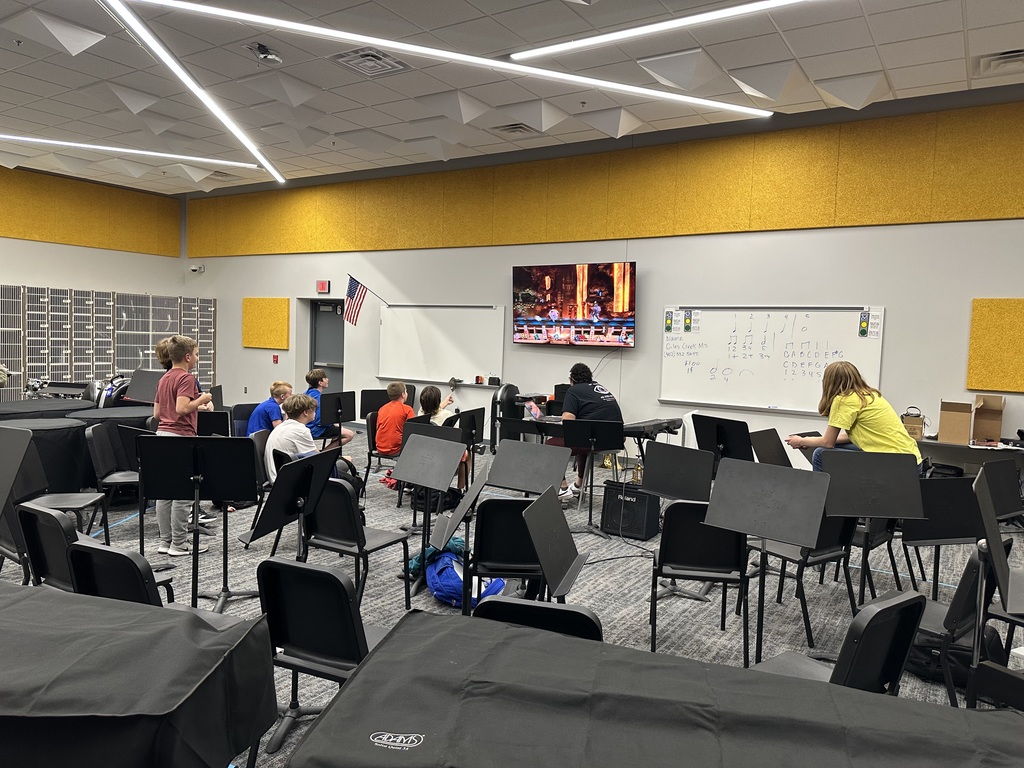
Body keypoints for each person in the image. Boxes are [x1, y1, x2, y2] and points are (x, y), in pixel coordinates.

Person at [785, 360, 922, 472]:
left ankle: (822, 497)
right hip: (911, 461)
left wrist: (801, 441)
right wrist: (812, 440)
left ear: (828, 382)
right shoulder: (870, 395)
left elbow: (828, 442)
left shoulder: (844, 400)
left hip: (893, 463)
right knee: (842, 446)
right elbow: (849, 437)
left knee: (821, 454)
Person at [153, 335, 212, 556]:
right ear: (187, 357)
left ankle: (165, 541)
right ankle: (179, 543)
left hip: (162, 435)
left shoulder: (164, 378)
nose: (197, 358)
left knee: (165, 492)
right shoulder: (186, 378)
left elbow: (158, 414)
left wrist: (195, 406)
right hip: (180, 438)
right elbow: (181, 409)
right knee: (183, 494)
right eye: (196, 354)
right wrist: (202, 399)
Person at [550, 362, 623, 501]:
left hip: (596, 441)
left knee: (551, 444)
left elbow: (568, 421)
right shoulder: (600, 387)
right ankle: (579, 485)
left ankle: (562, 488)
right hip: (616, 439)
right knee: (582, 440)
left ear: (571, 379)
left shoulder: (573, 390)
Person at [420, 385, 468, 491]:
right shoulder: (448, 415)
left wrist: (444, 403)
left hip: (424, 454)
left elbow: (432, 413)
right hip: (443, 457)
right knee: (467, 453)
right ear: (438, 401)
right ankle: (461, 488)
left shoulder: (420, 414)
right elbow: (457, 435)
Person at [264, 393, 320, 483]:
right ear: (306, 412)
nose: (315, 413)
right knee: (339, 466)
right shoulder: (301, 430)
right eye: (314, 410)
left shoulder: (282, 426)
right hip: (285, 480)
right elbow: (318, 457)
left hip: (277, 476)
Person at [304, 369, 354, 449]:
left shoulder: (306, 393)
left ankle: (330, 452)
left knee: (338, 429)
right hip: (315, 429)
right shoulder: (319, 398)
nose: (328, 379)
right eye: (325, 378)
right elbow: (319, 421)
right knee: (349, 434)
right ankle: (325, 454)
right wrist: (331, 424)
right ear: (320, 383)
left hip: (306, 426)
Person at [375, 381, 415, 456]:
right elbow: (413, 430)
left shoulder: (382, 408)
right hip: (396, 449)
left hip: (380, 448)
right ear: (403, 394)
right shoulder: (407, 409)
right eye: (406, 391)